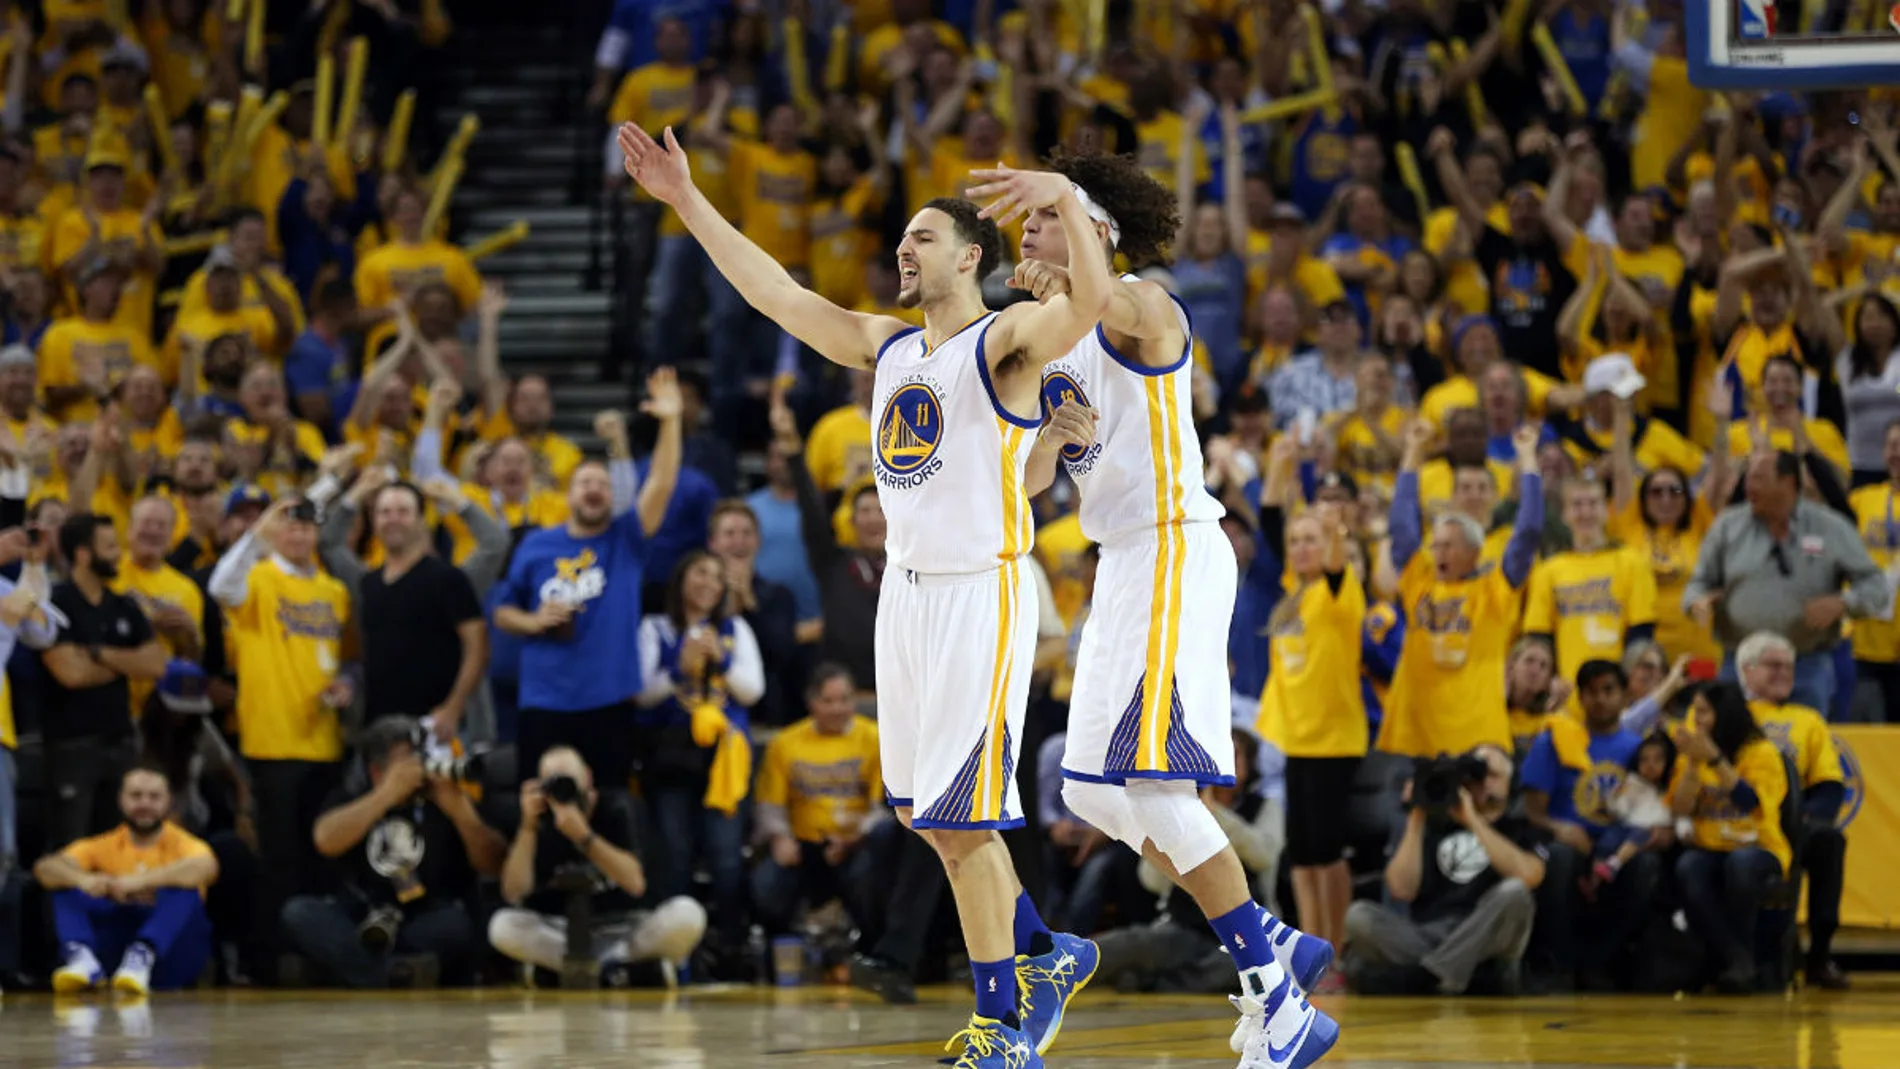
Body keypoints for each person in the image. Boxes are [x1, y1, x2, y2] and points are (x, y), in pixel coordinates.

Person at [618, 119, 1106, 1065]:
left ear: (972, 257)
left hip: (980, 594)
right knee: (929, 817)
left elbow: (1084, 304)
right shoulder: (886, 348)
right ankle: (1045, 949)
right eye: (901, 240)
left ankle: (1003, 1021)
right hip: (906, 597)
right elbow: (774, 292)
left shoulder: (1004, 343)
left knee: (965, 823)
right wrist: (686, 201)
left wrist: (1060, 198)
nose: (902, 249)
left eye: (921, 238)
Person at [1006, 147, 1336, 1067]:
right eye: (1030, 219)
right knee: (1084, 788)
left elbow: (1107, 296)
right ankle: (1275, 938)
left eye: (1044, 218)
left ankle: (1279, 1002)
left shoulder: (1146, 302)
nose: (1027, 232)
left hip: (1173, 545)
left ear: (1094, 232)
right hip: (1120, 561)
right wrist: (1048, 433)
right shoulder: (1044, 334)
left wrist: (1068, 227)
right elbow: (1033, 484)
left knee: (1153, 785)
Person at [491, 379, 682, 788]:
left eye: (602, 484)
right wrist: (535, 620)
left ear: (612, 497)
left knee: (609, 804)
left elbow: (662, 484)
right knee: (537, 804)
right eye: (584, 483)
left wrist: (671, 422)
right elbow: (504, 612)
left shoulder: (625, 539)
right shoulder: (536, 543)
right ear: (569, 494)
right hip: (544, 699)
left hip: (607, 699)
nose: (593, 489)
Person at [286, 717, 506, 988]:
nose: (417, 768)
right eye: (406, 763)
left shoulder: (440, 797)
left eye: (419, 758)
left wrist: (461, 812)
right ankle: (392, 973)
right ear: (376, 771)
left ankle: (359, 970)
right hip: (361, 914)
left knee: (454, 925)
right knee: (299, 913)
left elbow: (492, 864)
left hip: (420, 917)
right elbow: (325, 840)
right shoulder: (353, 795)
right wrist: (387, 794)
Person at [1683, 450, 1891, 713]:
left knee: (1804, 750)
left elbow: (1876, 587)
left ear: (1788, 482)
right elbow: (1697, 584)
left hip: (1805, 666)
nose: (1748, 486)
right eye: (1747, 478)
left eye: (1758, 478)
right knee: (1734, 748)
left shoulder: (1830, 527)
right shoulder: (1727, 526)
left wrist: (1843, 602)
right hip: (1740, 664)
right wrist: (1697, 602)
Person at [489, 746, 708, 983]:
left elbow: (635, 883)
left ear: (588, 778)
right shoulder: (537, 819)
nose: (565, 792)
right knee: (501, 926)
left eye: (569, 781)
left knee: (688, 914)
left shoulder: (621, 806)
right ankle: (618, 972)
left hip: (628, 927)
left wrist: (583, 836)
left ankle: (589, 969)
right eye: (553, 783)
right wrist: (528, 828)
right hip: (564, 933)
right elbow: (513, 892)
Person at [1343, 744, 1547, 995]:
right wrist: (1417, 814)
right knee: (1358, 915)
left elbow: (1529, 876)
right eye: (1475, 775)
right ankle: (1451, 974)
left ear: (1511, 783)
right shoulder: (1436, 823)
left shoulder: (1519, 827)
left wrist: (1473, 821)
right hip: (1430, 933)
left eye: (1493, 776)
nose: (1483, 783)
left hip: (1484, 935)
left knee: (1515, 892)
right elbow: (1400, 889)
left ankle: (1426, 975)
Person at [318, 471, 506, 736]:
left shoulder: (450, 579)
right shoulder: (366, 583)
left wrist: (457, 501)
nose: (393, 519)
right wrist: (355, 495)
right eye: (384, 512)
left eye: (403, 511)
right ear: (373, 520)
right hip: (381, 728)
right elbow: (329, 542)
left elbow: (495, 544)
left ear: (421, 521)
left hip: (440, 728)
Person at [1519, 661, 1663, 990]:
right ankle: (1560, 964)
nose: (1599, 699)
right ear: (1580, 698)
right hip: (1565, 844)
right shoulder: (1553, 741)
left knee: (1647, 865)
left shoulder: (1639, 749)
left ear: (1625, 696)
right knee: (1559, 857)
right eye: (1591, 692)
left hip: (1616, 848)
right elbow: (1531, 811)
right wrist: (1559, 828)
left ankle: (1600, 961)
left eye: (1608, 690)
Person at [33, 765, 218, 995]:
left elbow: (206, 867)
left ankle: (143, 952)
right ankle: (81, 957)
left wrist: (138, 882)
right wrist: (84, 880)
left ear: (168, 801)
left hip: (171, 955)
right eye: (136, 796)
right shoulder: (103, 844)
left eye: (154, 797)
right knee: (64, 884)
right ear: (121, 800)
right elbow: (46, 868)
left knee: (183, 889)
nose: (145, 804)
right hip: (116, 955)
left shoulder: (185, 844)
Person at [42, 513, 169, 847]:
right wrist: (128, 663)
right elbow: (71, 673)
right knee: (71, 848)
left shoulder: (124, 604)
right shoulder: (56, 602)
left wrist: (98, 653)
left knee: (118, 846)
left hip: (121, 742)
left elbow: (156, 664)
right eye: (110, 546)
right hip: (72, 746)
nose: (118, 554)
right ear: (83, 554)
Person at [1735, 631, 1850, 989]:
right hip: (1740, 820)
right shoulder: (1728, 710)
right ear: (1746, 670)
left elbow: (1829, 785)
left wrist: (1808, 817)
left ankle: (1819, 954)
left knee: (1829, 839)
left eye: (1789, 666)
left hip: (1791, 821)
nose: (1784, 673)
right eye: (1773, 665)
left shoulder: (1808, 720)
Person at [751, 663, 893, 947]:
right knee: (765, 884)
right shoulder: (785, 743)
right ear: (811, 702)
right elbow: (769, 805)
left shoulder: (876, 739)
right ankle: (787, 947)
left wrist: (856, 837)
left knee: (874, 873)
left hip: (856, 844)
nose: (838, 709)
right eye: (828, 701)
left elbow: (882, 808)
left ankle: (870, 946)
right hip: (802, 847)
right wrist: (780, 838)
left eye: (845, 700)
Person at [1667, 681, 1791, 994]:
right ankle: (1738, 957)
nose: (1696, 718)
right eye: (1695, 710)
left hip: (1758, 846)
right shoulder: (1693, 753)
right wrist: (1694, 764)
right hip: (1711, 846)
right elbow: (1680, 808)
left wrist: (1716, 761)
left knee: (1741, 864)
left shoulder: (1761, 753)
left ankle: (1741, 959)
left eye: (1704, 711)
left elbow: (1751, 802)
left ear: (1725, 713)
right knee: (1688, 867)